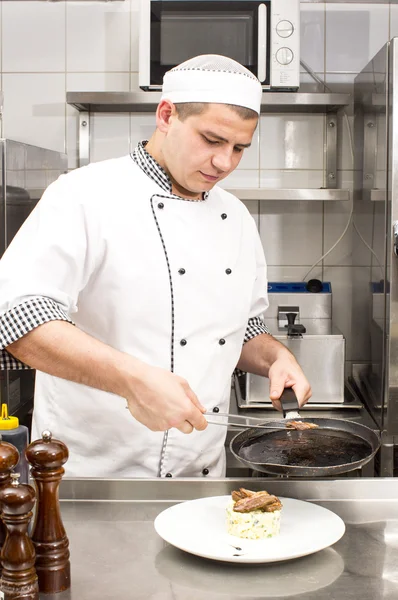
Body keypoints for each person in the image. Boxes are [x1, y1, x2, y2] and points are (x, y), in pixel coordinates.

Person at [0, 55, 311, 478]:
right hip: (91, 476)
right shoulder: (84, 195)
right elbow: (17, 317)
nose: (225, 163)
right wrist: (133, 380)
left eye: (239, 148)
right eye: (212, 140)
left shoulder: (236, 216)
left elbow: (240, 329)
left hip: (199, 475)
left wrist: (276, 357)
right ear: (167, 115)